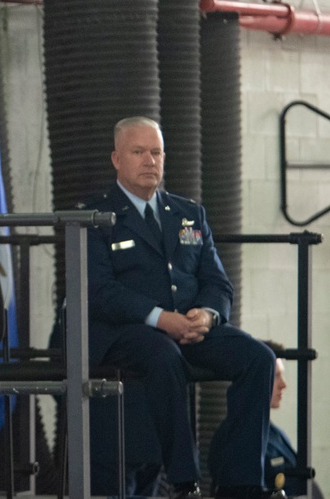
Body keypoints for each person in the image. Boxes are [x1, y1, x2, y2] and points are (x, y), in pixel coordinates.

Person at [81, 116, 280, 499]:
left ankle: (240, 483)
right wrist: (161, 318)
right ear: (116, 159)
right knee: (164, 355)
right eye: (138, 152)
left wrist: (207, 314)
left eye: (156, 152)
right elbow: (100, 291)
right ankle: (185, 481)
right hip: (129, 331)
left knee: (259, 358)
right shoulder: (95, 216)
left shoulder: (188, 214)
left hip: (191, 326)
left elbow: (218, 283)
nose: (149, 161)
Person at [213, 340, 322, 499]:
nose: (283, 384)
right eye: (276, 375)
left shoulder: (275, 433)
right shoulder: (231, 437)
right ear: (257, 376)